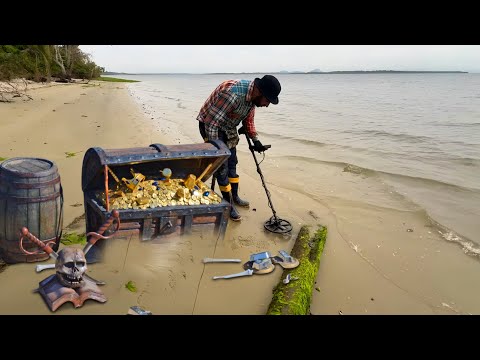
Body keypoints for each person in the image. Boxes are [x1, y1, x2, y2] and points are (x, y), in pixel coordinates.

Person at [197, 74, 281, 221]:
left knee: (232, 163)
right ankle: (228, 205)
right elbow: (212, 123)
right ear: (259, 92)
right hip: (210, 124)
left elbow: (248, 120)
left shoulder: (252, 99)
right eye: (267, 100)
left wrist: (255, 140)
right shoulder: (232, 94)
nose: (267, 105)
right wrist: (217, 150)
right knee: (221, 167)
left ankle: (234, 196)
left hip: (228, 125)